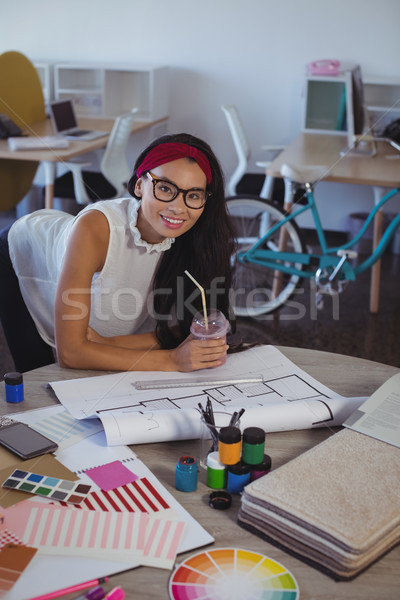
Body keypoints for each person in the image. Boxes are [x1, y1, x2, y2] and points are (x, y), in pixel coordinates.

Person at [0, 133, 236, 373]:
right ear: (138, 185)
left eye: (193, 195)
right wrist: (172, 360)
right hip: (23, 254)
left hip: (73, 249)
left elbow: (189, 326)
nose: (178, 208)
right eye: (165, 188)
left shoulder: (199, 235)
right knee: (38, 378)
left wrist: (107, 343)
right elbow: (71, 353)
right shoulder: (96, 228)